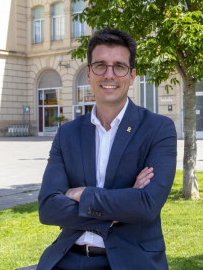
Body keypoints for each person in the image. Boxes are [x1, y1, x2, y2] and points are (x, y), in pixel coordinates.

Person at [37, 28, 177, 270]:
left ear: (132, 75)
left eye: (119, 67)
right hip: (67, 257)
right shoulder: (67, 133)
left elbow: (146, 205)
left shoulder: (158, 128)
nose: (109, 75)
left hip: (131, 260)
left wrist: (80, 194)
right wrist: (121, 205)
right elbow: (48, 208)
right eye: (100, 66)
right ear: (89, 73)